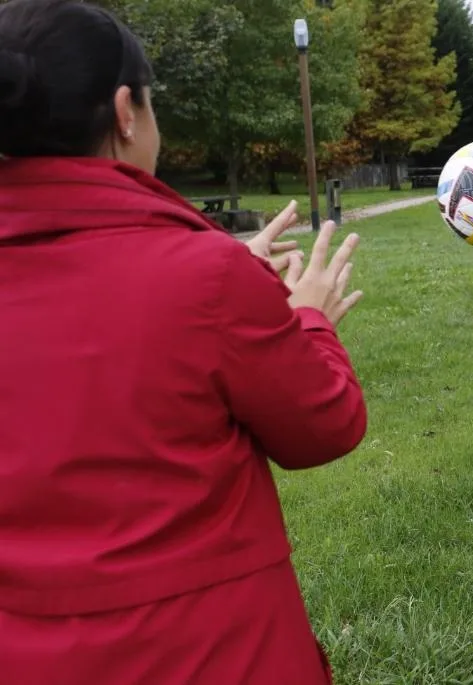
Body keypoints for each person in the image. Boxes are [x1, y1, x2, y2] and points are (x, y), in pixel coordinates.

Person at [0, 0, 365, 682]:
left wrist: (229, 279)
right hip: (212, 655)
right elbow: (325, 426)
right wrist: (306, 316)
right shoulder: (205, 279)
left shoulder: (208, 278)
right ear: (125, 112)